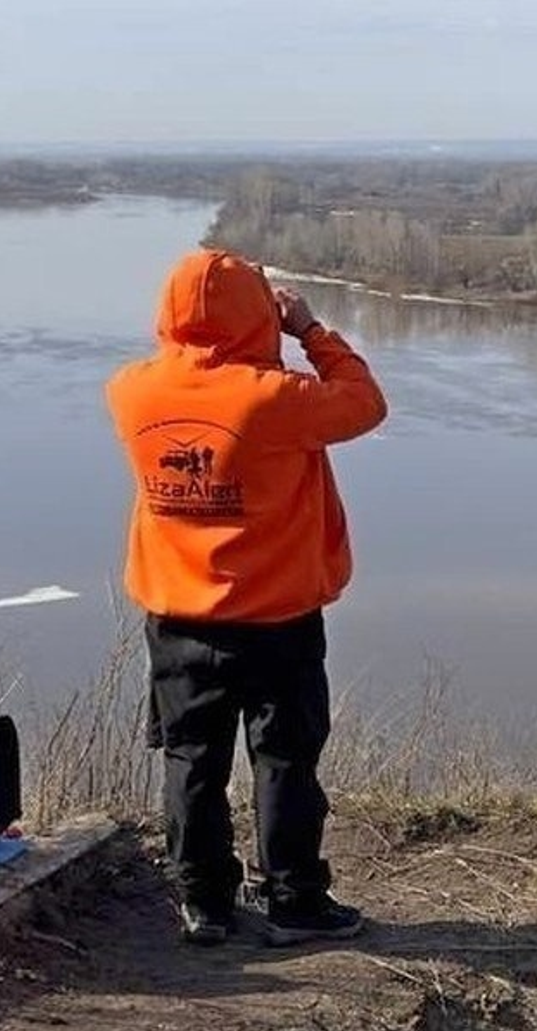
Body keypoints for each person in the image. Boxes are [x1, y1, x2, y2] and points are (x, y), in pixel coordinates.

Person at [105, 248, 387, 947]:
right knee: (285, 760)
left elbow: (190, 377)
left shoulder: (131, 391)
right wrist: (310, 330)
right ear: (258, 315)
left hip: (176, 619)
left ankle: (203, 901)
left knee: (192, 759)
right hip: (277, 617)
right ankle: (293, 901)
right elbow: (364, 402)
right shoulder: (273, 399)